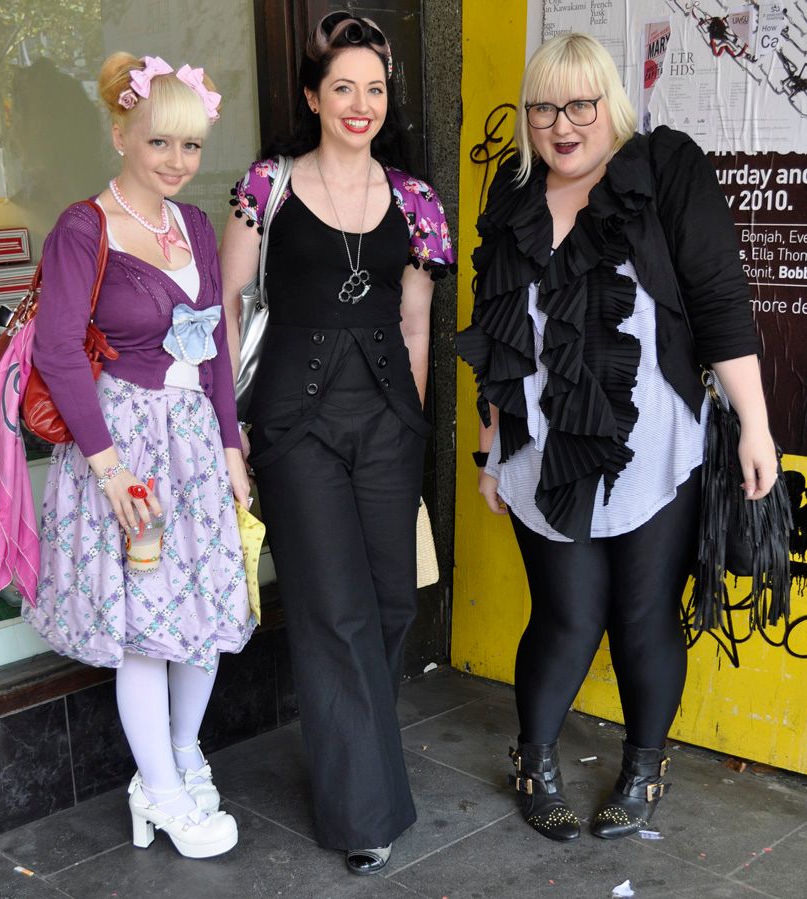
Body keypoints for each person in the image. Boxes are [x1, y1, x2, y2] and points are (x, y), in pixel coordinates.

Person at [458, 33, 777, 842]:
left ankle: (643, 766)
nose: (561, 126)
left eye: (580, 105)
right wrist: (493, 447)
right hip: (543, 447)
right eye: (543, 109)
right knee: (566, 616)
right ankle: (535, 762)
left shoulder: (666, 168)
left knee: (643, 614)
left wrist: (756, 425)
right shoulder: (515, 188)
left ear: (612, 102)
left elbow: (719, 297)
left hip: (653, 444)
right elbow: (496, 331)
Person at [220, 11, 454, 875]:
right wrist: (230, 434)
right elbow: (226, 312)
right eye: (344, 87)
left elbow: (417, 324)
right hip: (294, 425)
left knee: (391, 602)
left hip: (388, 420)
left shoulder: (417, 200)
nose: (361, 104)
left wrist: (413, 418)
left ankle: (360, 758)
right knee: (333, 610)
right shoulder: (267, 187)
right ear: (314, 97)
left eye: (376, 89)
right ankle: (365, 811)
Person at [23, 52, 255, 858]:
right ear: (120, 134)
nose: (177, 161)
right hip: (122, 449)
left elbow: (214, 348)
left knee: (206, 609)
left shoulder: (194, 226)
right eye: (160, 142)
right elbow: (57, 352)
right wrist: (110, 467)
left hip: (193, 443)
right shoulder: (82, 227)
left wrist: (231, 443)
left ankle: (183, 755)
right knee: (144, 626)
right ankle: (158, 789)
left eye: (190, 146)